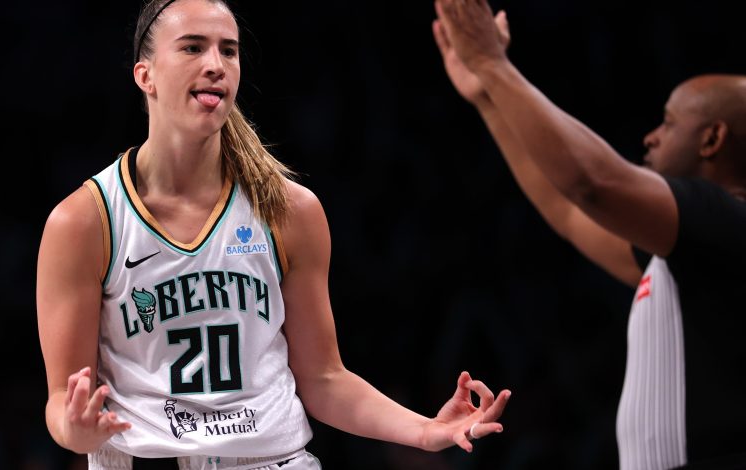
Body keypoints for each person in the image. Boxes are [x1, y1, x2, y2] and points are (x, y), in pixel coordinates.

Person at [36, 0, 511, 469]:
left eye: (229, 50)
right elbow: (63, 400)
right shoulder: (84, 221)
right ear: (146, 75)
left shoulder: (290, 210)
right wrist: (75, 429)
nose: (215, 65)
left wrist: (425, 430)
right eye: (192, 48)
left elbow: (324, 378)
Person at [432, 0, 746, 468]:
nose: (651, 137)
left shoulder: (728, 221)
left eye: (670, 123)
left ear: (712, 139)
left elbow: (592, 184)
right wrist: (488, 98)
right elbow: (568, 209)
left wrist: (495, 67)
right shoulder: (692, 249)